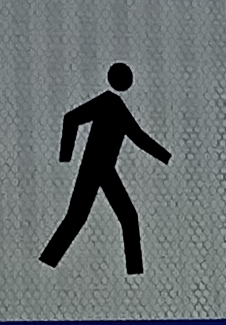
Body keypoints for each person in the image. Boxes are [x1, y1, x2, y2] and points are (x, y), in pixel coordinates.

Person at [39, 62, 170, 278]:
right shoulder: (107, 102)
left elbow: (137, 137)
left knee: (125, 217)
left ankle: (135, 272)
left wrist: (166, 157)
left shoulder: (118, 107)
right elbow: (70, 119)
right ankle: (47, 262)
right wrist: (65, 157)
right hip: (93, 168)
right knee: (78, 218)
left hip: (105, 170)